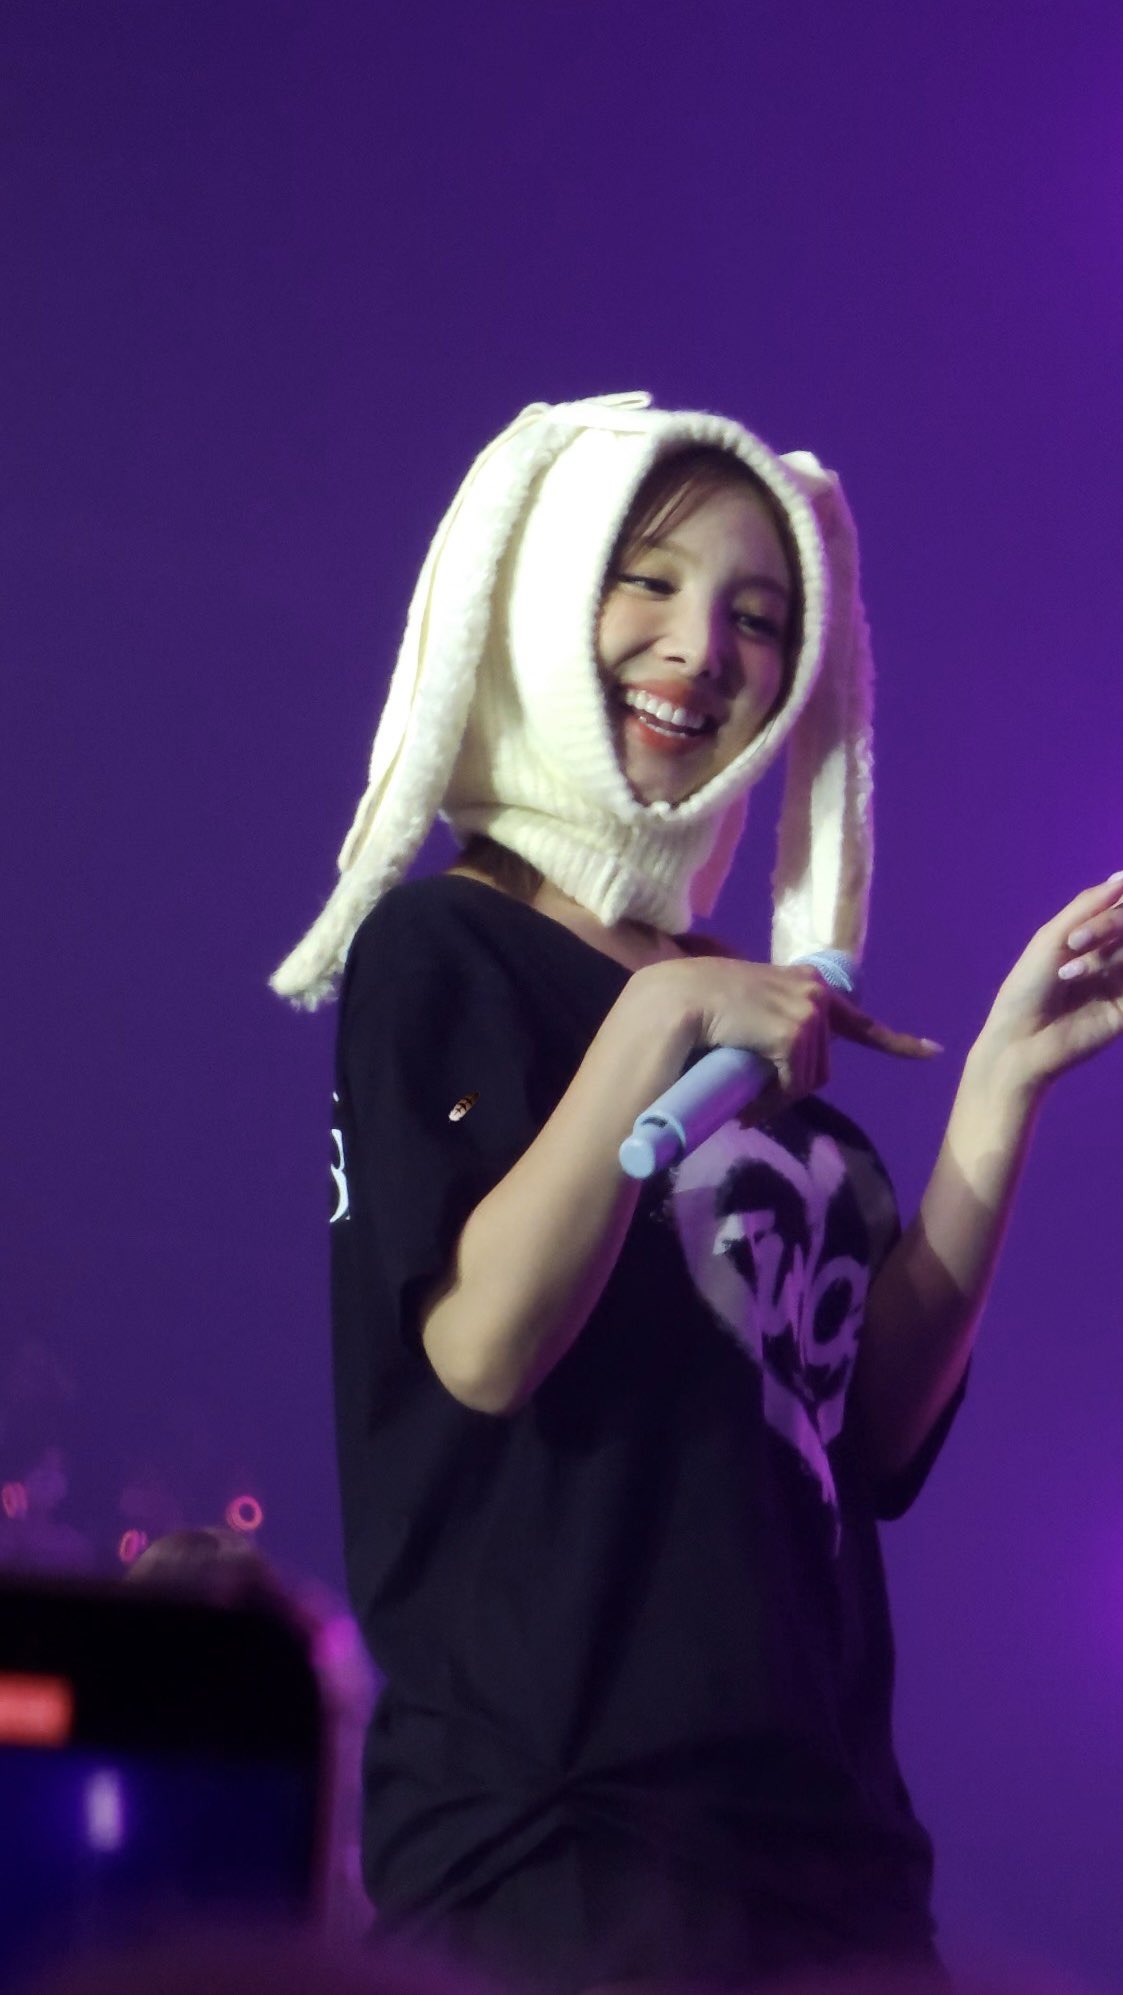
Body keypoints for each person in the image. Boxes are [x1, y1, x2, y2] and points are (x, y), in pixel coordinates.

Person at [269, 393, 1123, 1995]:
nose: (699, 648)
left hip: (829, 1860)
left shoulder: (746, 1005)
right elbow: (484, 1345)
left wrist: (1002, 1086)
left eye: (759, 617)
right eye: (648, 579)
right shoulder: (448, 953)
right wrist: (660, 1017)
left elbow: (868, 1426)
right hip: (563, 1854)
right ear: (548, 593)